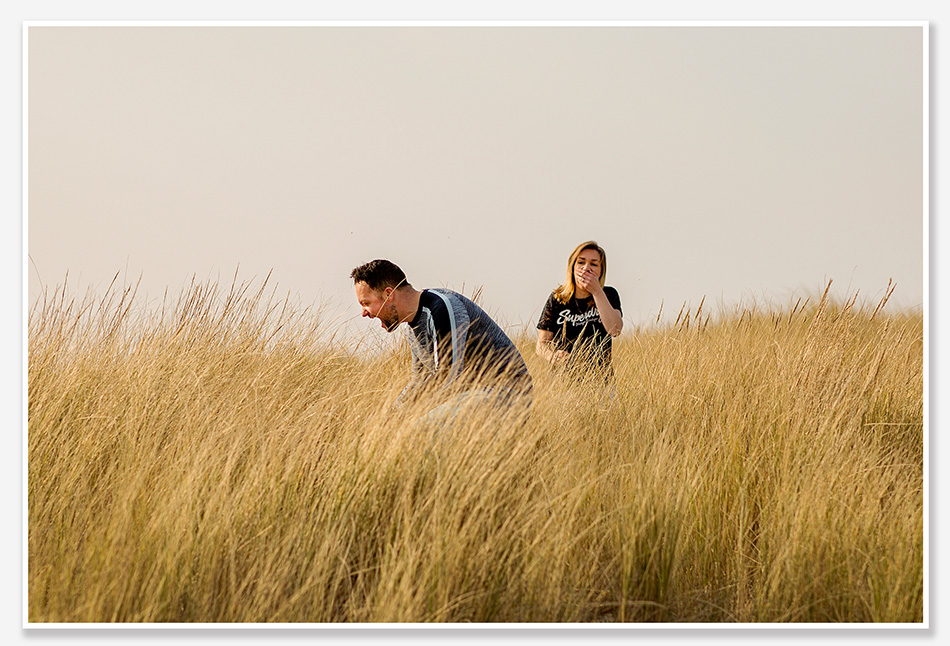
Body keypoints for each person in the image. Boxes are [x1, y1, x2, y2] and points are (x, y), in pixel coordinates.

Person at [351, 259, 532, 422]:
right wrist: (390, 417)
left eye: (366, 303)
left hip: (508, 394)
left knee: (417, 433)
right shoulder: (413, 328)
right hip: (469, 399)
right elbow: (419, 380)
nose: (364, 313)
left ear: (389, 294)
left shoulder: (443, 306)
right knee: (398, 432)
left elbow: (449, 376)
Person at [536, 241, 623, 382]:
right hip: (564, 381)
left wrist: (596, 291)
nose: (586, 268)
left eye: (594, 264)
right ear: (572, 267)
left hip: (601, 381)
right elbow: (541, 345)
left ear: (601, 270)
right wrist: (552, 356)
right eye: (581, 262)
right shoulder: (557, 299)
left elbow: (615, 330)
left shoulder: (608, 294)